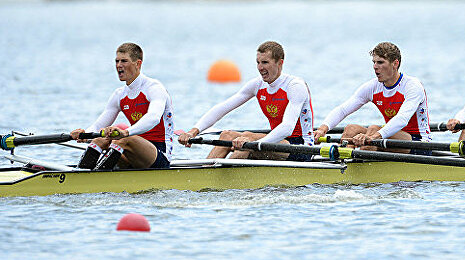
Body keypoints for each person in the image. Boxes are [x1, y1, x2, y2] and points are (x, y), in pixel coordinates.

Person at [177, 41, 314, 161]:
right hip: (276, 141)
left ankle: (218, 182)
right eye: (258, 62)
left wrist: (253, 143)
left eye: (265, 62)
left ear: (280, 63)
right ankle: (204, 174)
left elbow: (287, 128)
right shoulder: (257, 85)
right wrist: (194, 131)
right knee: (226, 135)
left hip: (300, 148)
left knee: (246, 139)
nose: (260, 68)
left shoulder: (295, 86)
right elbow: (222, 108)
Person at [70, 42, 174, 170]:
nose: (119, 65)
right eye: (117, 61)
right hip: (133, 153)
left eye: (124, 61)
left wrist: (125, 132)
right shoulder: (119, 94)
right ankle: (80, 173)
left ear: (138, 64)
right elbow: (98, 126)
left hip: (159, 155)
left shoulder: (154, 88)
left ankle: (94, 178)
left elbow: (153, 118)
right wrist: (84, 134)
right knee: (100, 139)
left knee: (123, 140)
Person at [313, 42, 431, 152]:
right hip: (390, 136)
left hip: (418, 143)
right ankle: (342, 163)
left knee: (374, 129)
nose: (375, 66)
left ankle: (358, 167)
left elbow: (402, 119)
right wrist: (322, 129)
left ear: (395, 63)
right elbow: (343, 110)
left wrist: (372, 136)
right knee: (351, 129)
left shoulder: (412, 86)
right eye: (374, 62)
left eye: (380, 62)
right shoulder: (373, 86)